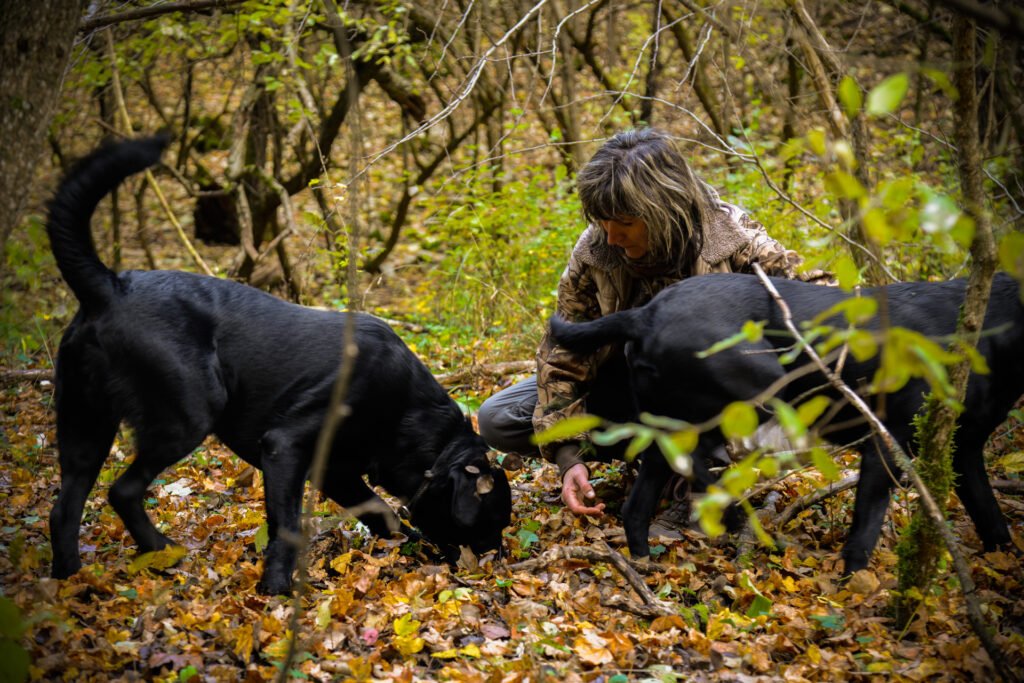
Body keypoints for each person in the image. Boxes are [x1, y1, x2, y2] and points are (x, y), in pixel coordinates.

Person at [478, 127, 826, 533]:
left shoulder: (733, 241)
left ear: (663, 210)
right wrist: (568, 457)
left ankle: (704, 484)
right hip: (631, 391)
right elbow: (564, 355)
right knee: (499, 417)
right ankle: (661, 464)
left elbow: (814, 306)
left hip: (727, 402)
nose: (612, 235)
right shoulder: (596, 250)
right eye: (603, 221)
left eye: (625, 222)